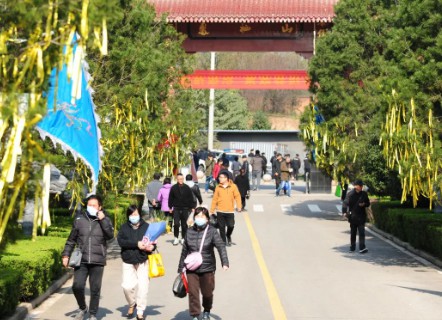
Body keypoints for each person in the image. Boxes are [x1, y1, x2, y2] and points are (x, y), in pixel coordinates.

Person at [62, 194, 114, 320]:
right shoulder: (79, 220)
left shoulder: (105, 220)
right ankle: (82, 307)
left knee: (95, 289)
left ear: (100, 207)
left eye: (94, 205)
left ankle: (92, 314)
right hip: (82, 260)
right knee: (77, 286)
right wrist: (66, 254)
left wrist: (103, 220)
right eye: (89, 205)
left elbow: (110, 236)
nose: (91, 207)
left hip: (98, 260)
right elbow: (71, 240)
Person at [178, 207, 229, 320]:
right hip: (191, 269)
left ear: (207, 219)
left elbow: (221, 246)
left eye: (202, 217)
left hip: (207, 267)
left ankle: (206, 309)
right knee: (193, 293)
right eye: (197, 216)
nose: (199, 219)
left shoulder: (212, 231)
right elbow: (184, 251)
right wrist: (180, 268)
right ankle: (195, 315)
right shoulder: (189, 231)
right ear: (194, 218)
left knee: (207, 293)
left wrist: (224, 262)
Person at [117, 205, 155, 320]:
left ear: (140, 215)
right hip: (128, 260)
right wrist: (136, 244)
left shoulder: (147, 227)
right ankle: (132, 303)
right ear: (128, 216)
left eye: (136, 214)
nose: (134, 217)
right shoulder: (124, 228)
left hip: (143, 260)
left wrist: (151, 247)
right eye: (131, 215)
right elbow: (121, 242)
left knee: (143, 287)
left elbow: (153, 242)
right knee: (127, 287)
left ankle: (140, 311)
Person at [210, 172, 242, 246]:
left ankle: (228, 235)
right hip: (220, 210)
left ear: (226, 178)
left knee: (231, 225)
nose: (219, 179)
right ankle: (223, 242)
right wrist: (211, 210)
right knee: (221, 227)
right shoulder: (218, 187)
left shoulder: (233, 186)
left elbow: (237, 196)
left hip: (230, 211)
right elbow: (215, 199)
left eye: (221, 177)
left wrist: (239, 206)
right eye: (219, 177)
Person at [342, 180, 370, 253]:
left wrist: (364, 204)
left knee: (362, 233)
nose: (361, 187)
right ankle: (352, 247)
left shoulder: (364, 194)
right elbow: (345, 203)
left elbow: (368, 203)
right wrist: (344, 212)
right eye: (360, 186)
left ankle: (362, 248)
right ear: (356, 186)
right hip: (353, 217)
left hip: (361, 217)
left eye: (362, 186)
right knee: (353, 233)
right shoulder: (350, 194)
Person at [169, 173, 197, 245]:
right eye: (178, 179)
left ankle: (183, 238)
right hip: (176, 208)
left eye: (181, 179)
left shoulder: (187, 187)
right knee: (176, 223)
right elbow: (170, 198)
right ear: (176, 179)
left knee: (184, 224)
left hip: (185, 208)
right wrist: (170, 207)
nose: (180, 180)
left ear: (183, 179)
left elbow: (191, 198)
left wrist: (193, 207)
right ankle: (176, 237)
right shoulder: (173, 188)